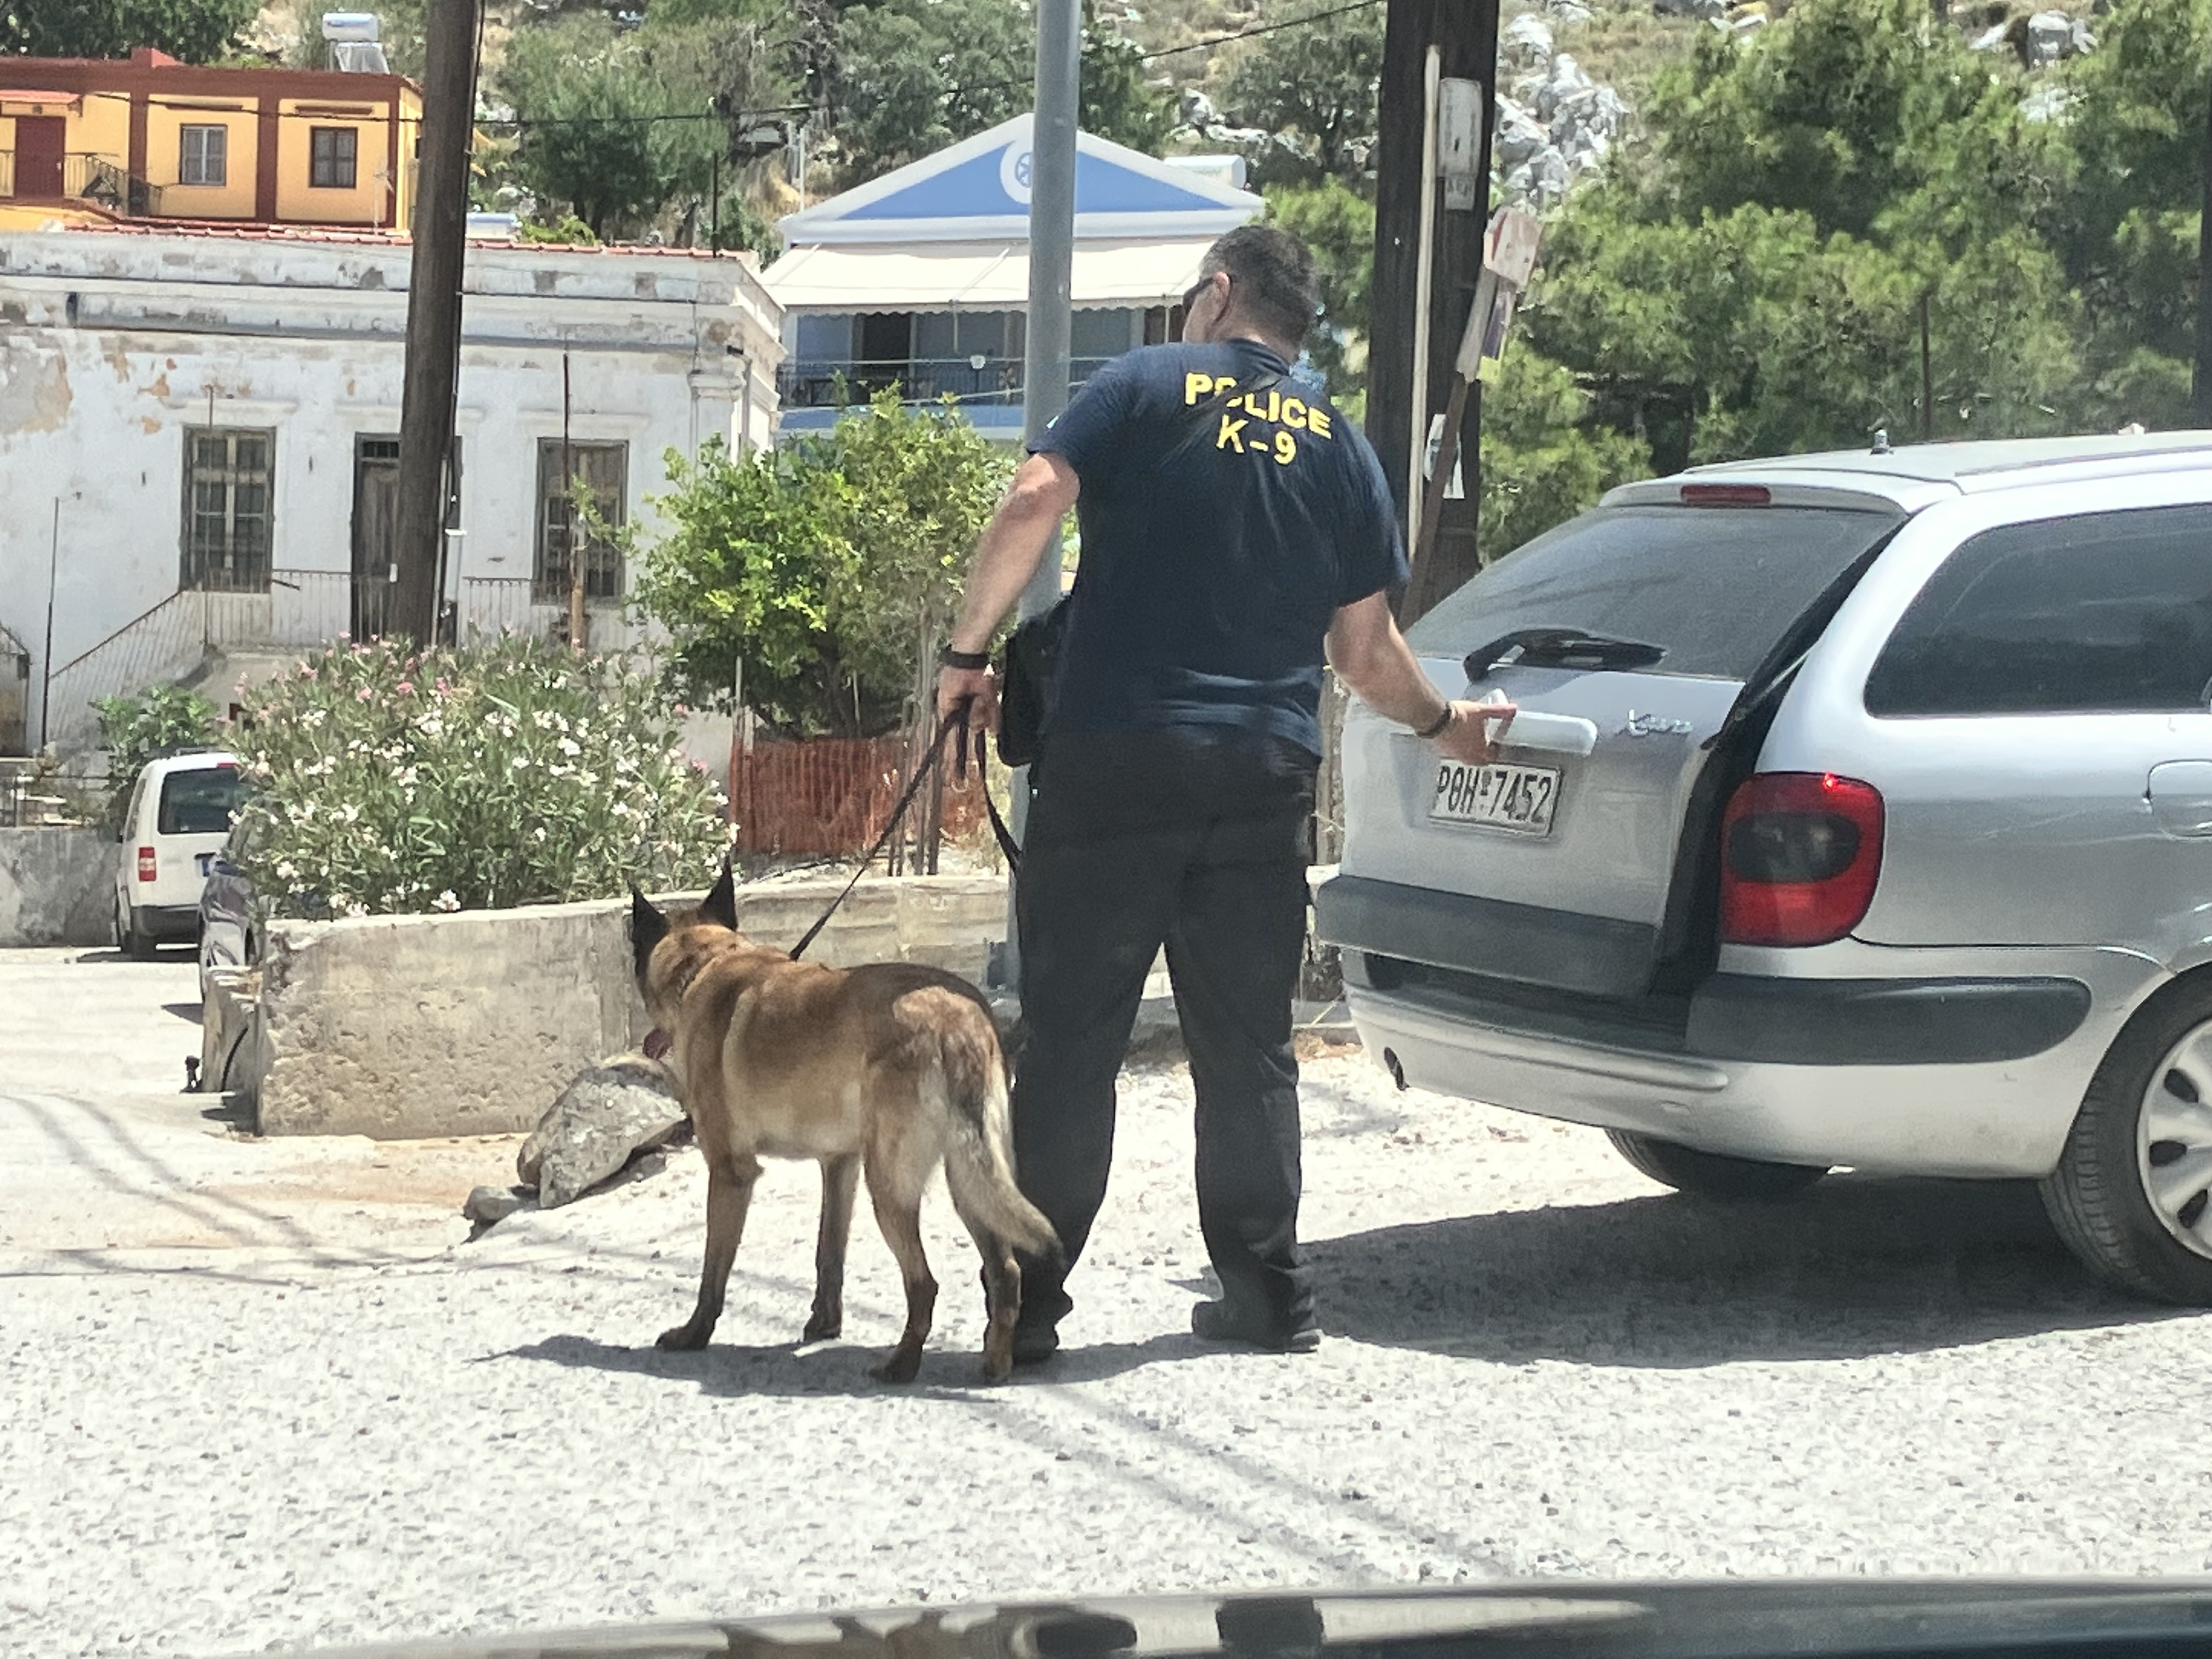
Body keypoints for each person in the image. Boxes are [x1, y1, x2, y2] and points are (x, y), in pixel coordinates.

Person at [934, 224, 1513, 1361]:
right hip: (1262, 772)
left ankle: (1031, 1307)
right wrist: (1445, 724)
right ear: (1294, 330)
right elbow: (1364, 653)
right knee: (1249, 1047)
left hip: (1115, 760)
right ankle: (1268, 1298)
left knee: (1073, 1041)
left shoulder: (1144, 384)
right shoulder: (1343, 448)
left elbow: (1034, 495)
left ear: (1214, 296)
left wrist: (966, 657)